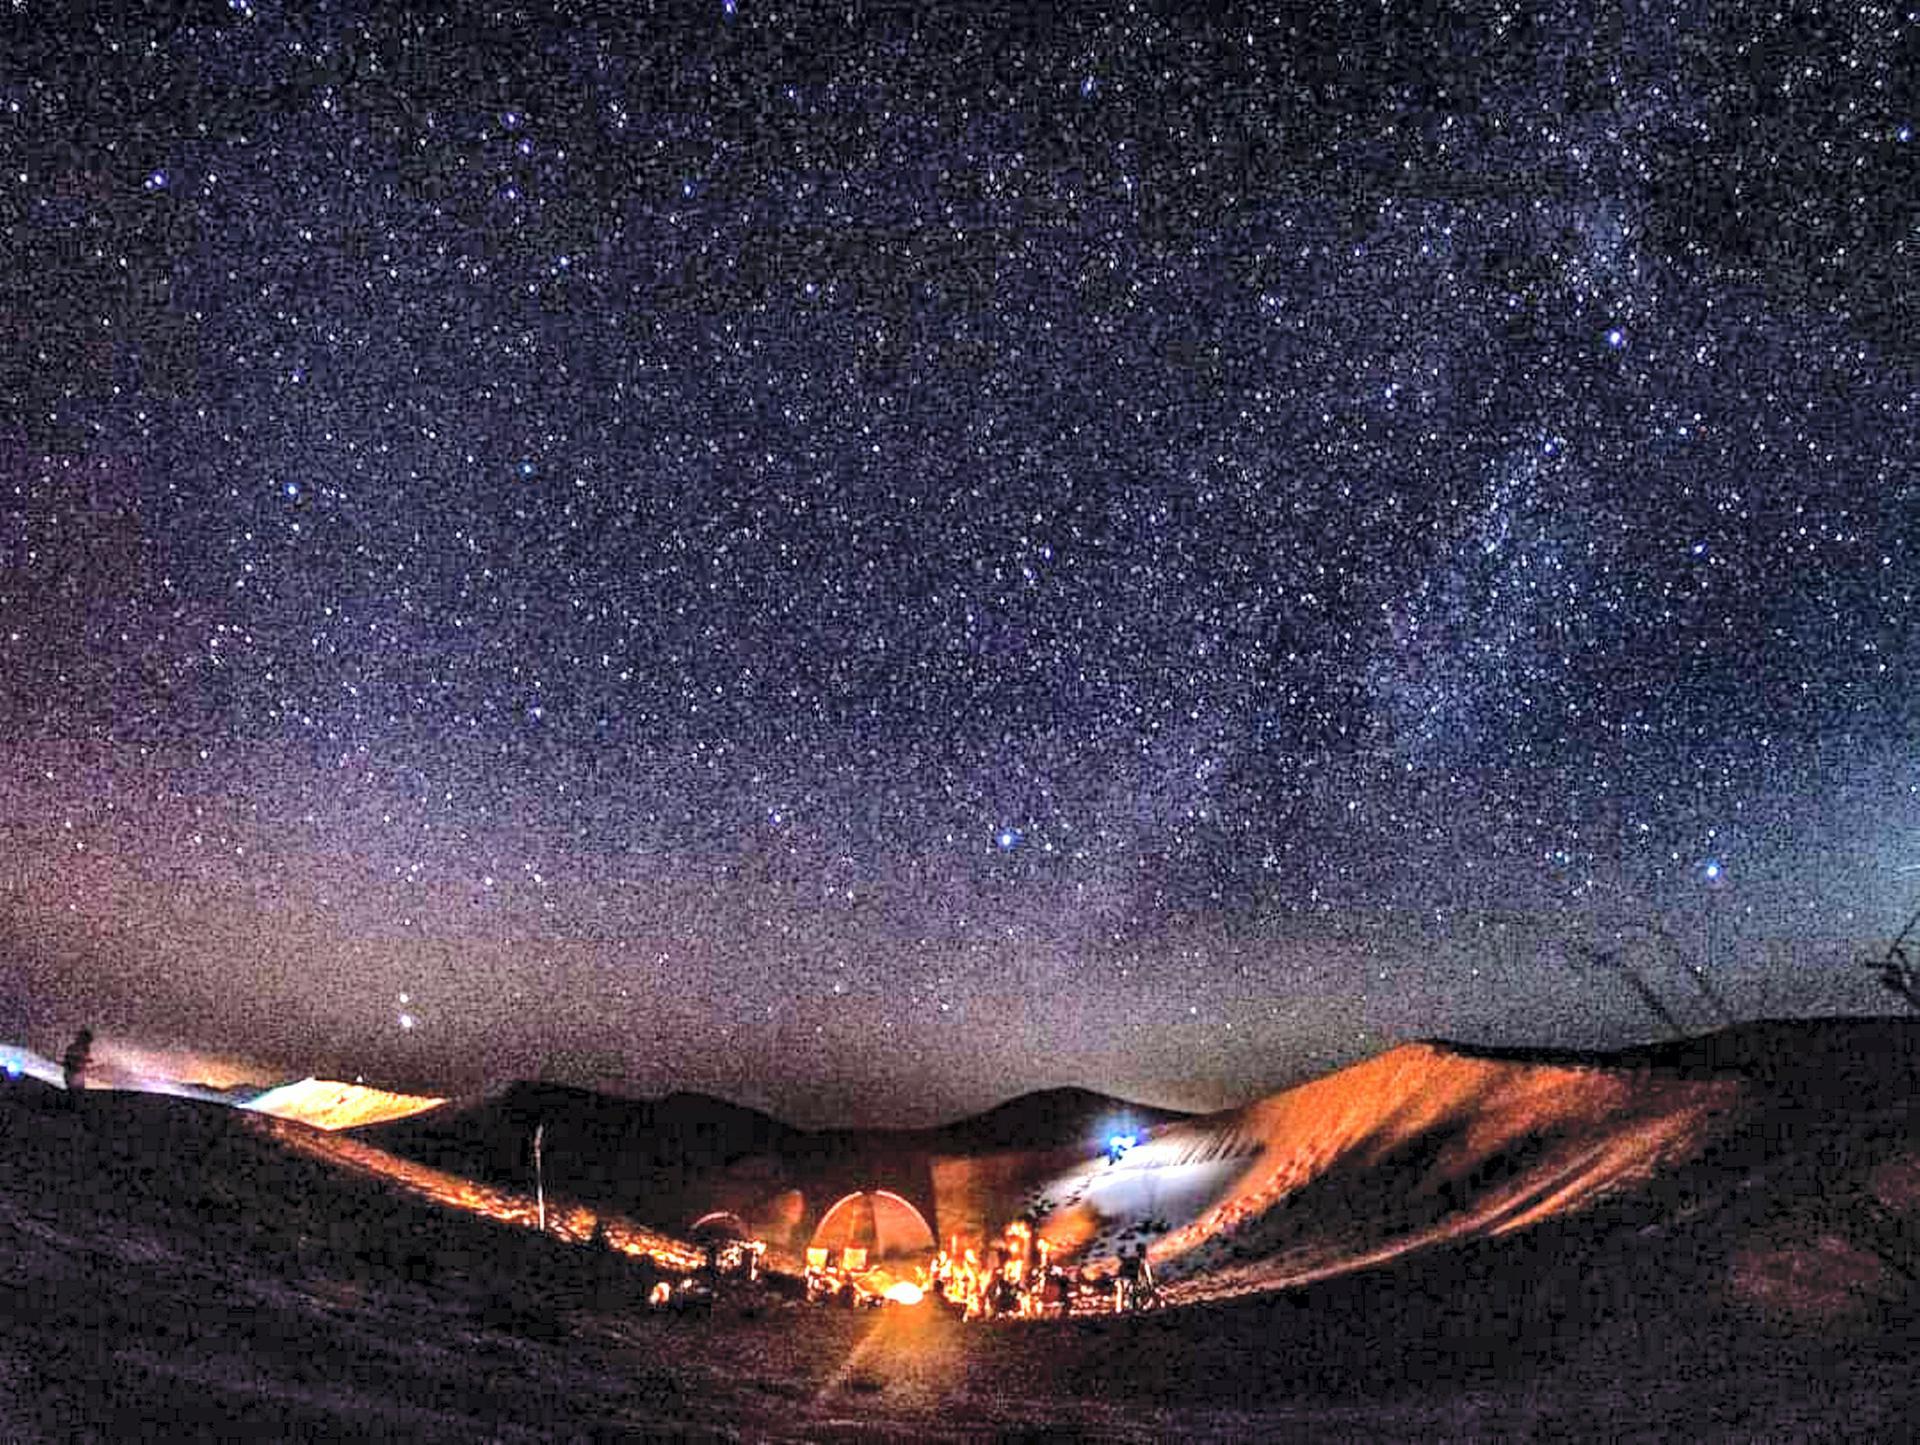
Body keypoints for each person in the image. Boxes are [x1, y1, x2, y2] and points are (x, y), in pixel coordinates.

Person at [62, 1028, 93, 1103]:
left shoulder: (86, 1049)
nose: (87, 1043)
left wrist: (85, 1062)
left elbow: (81, 1060)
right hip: (71, 1072)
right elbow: (69, 1060)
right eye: (86, 1041)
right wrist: (83, 1060)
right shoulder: (72, 1047)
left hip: (78, 1073)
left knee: (79, 1091)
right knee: (74, 1091)